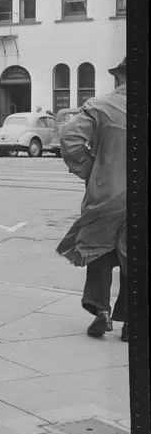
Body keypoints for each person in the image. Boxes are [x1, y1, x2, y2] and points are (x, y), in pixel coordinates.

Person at [56, 57, 127, 341]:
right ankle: (132, 322)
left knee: (97, 247)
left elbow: (69, 137)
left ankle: (101, 311)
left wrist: (90, 170)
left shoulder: (101, 106)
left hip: (107, 194)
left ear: (119, 78)